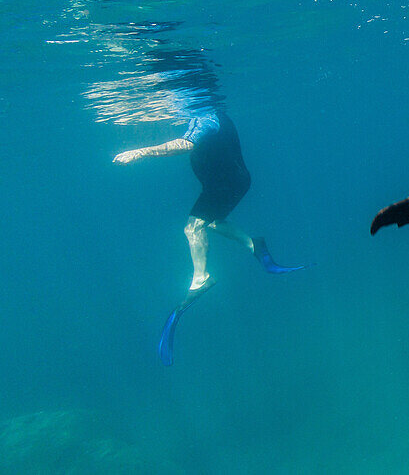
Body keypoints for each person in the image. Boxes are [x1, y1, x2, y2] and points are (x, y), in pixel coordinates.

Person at [113, 108, 306, 365]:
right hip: (223, 181)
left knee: (193, 227)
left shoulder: (204, 116)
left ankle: (202, 278)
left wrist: (138, 153)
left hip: (227, 183)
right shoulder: (202, 113)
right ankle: (253, 244)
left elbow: (186, 144)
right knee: (212, 223)